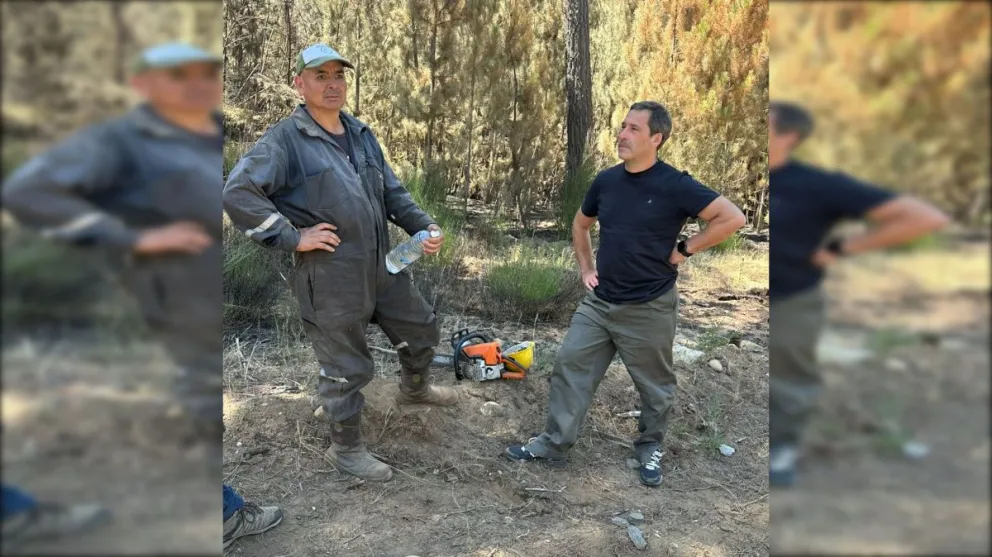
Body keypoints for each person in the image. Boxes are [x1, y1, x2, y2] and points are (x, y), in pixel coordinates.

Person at [2, 43, 281, 547]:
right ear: (144, 85)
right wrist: (128, 237)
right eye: (178, 75)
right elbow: (26, 193)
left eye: (204, 73)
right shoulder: (117, 141)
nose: (196, 84)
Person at [223, 43, 458, 483]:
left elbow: (392, 193)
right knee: (346, 366)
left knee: (421, 328)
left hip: (381, 265)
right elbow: (238, 193)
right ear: (300, 83)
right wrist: (294, 237)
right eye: (321, 76)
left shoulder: (360, 134)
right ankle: (346, 450)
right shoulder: (285, 141)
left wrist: (423, 227)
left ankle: (415, 390)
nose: (333, 84)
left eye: (339, 75)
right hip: (330, 275)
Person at [505, 101, 747, 487]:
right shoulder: (607, 181)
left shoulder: (675, 184)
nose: (622, 134)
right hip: (601, 303)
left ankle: (650, 446)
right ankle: (554, 444)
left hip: (649, 306)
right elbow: (580, 225)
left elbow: (733, 217)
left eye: (634, 129)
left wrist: (685, 250)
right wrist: (586, 269)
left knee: (654, 386)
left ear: (657, 138)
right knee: (569, 364)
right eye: (622, 126)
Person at [766, 101, 950, 487]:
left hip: (794, 300)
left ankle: (782, 451)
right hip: (762, 298)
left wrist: (843, 249)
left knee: (791, 379)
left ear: (789, 137)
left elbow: (924, 217)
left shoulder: (817, 184)